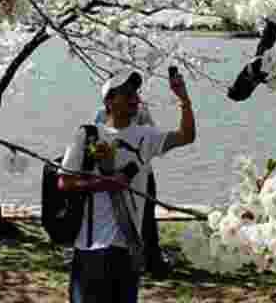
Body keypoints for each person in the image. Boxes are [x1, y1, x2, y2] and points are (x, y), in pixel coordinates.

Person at [58, 67, 196, 303]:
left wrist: (183, 98)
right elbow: (64, 182)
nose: (135, 99)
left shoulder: (146, 136)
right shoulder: (88, 134)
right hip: (89, 247)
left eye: (136, 94)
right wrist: (105, 183)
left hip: (127, 247)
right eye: (127, 93)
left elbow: (186, 135)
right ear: (109, 100)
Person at [93, 73, 171, 277]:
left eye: (132, 91)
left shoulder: (141, 111)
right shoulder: (101, 115)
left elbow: (154, 136)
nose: (131, 96)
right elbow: (94, 146)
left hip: (142, 173)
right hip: (113, 176)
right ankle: (119, 258)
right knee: (115, 216)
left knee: (147, 216)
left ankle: (153, 259)